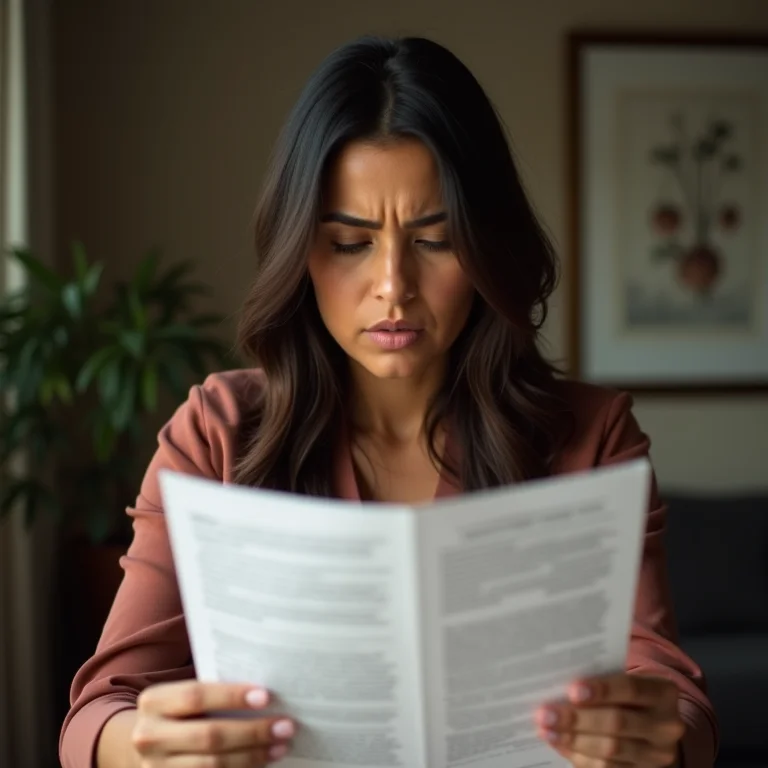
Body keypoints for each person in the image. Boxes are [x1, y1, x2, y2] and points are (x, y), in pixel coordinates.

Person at [60, 35, 717, 768]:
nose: (393, 287)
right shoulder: (216, 433)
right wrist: (148, 746)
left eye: (436, 240)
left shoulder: (591, 436)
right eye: (350, 243)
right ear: (300, 251)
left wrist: (660, 739)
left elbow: (676, 698)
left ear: (486, 248)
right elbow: (98, 712)